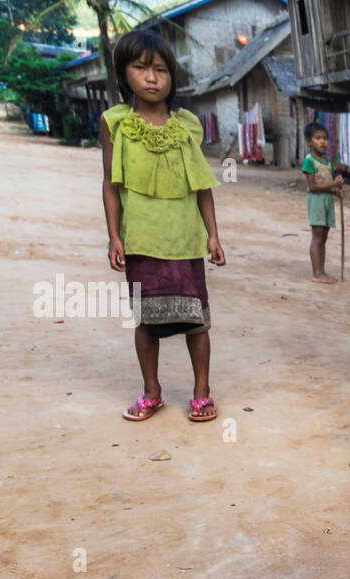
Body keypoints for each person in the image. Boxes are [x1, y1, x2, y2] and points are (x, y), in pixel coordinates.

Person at [100, 29, 224, 423]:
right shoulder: (115, 124)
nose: (151, 78)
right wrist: (114, 236)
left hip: (185, 240)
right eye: (140, 68)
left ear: (172, 77)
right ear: (125, 75)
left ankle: (201, 391)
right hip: (141, 240)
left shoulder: (187, 126)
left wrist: (213, 234)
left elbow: (202, 185)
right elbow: (110, 184)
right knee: (146, 320)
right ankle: (151, 392)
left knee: (196, 320)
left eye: (160, 70)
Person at [302, 122, 343, 284]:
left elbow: (329, 181)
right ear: (309, 141)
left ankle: (321, 270)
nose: (322, 142)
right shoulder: (309, 161)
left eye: (325, 138)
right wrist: (333, 185)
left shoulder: (327, 161)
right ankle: (317, 273)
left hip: (327, 201)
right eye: (318, 138)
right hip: (317, 202)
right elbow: (312, 187)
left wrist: (337, 191)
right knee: (317, 237)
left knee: (324, 237)